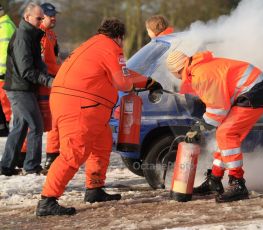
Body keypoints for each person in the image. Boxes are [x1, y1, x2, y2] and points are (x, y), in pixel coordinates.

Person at [36, 18, 162, 216]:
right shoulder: (112, 48)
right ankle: (47, 200)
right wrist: (140, 85)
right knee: (73, 153)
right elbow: (122, 82)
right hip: (81, 105)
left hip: (72, 100)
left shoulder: (92, 44)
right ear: (119, 37)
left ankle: (94, 189)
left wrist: (147, 81)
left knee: (101, 145)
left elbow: (122, 72)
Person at [166, 50, 263, 202]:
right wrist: (201, 127)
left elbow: (218, 109)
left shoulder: (201, 75)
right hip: (255, 87)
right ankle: (215, 179)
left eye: (173, 73)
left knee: (226, 133)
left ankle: (237, 183)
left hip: (255, 90)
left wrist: (199, 128)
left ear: (177, 70)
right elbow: (219, 106)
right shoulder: (198, 69)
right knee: (225, 135)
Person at [0, 3, 54, 176]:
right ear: (27, 17)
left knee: (20, 126)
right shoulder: (24, 37)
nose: (41, 21)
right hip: (20, 88)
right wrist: (48, 80)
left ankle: (6, 166)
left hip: (21, 87)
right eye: (38, 18)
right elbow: (26, 70)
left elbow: (36, 63)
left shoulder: (30, 35)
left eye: (42, 18)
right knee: (36, 125)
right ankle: (31, 166)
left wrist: (47, 73)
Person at [18, 2, 61, 172]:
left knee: (48, 122)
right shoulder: (39, 34)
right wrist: (51, 77)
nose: (53, 18)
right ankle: (26, 156)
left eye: (53, 15)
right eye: (49, 15)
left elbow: (55, 59)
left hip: (52, 80)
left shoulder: (51, 34)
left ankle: (48, 155)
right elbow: (40, 62)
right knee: (38, 123)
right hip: (44, 83)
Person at [0, 4, 15, 136]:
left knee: (3, 99)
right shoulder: (4, 24)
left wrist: (2, 71)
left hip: (2, 72)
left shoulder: (4, 26)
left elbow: (5, 51)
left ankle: (3, 127)